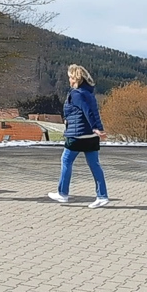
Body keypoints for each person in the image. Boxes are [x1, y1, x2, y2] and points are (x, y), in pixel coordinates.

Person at [48, 64, 109, 208]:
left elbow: (87, 111)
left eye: (70, 77)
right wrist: (98, 129)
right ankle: (102, 196)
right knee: (95, 165)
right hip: (91, 137)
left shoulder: (76, 94)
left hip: (77, 135)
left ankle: (63, 193)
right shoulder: (89, 93)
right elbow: (94, 113)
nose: (69, 80)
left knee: (66, 160)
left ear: (75, 78)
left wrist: (95, 128)